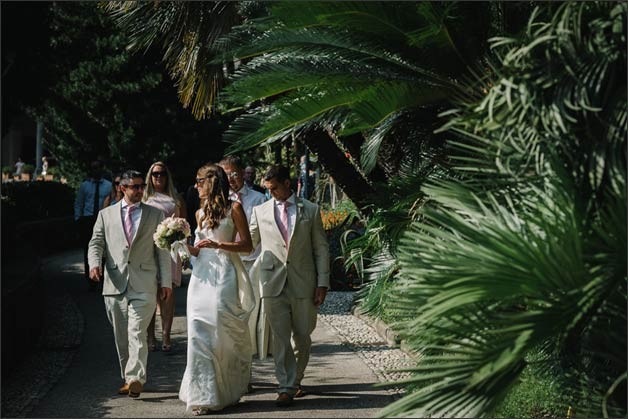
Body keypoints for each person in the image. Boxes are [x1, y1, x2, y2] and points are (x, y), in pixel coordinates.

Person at [249, 165, 330, 407]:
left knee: (302, 336)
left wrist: (323, 282)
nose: (270, 193)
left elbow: (321, 249)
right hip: (272, 282)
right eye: (268, 189)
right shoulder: (259, 211)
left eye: (274, 188)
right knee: (281, 338)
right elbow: (248, 243)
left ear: (287, 184)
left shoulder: (311, 210)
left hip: (304, 282)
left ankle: (296, 379)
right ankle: (286, 386)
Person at [87, 169, 173, 399]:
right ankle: (128, 377)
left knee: (137, 332)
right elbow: (96, 243)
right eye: (134, 186)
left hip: (144, 282)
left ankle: (136, 378)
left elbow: (162, 251)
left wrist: (166, 282)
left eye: (140, 186)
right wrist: (95, 264)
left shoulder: (155, 214)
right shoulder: (105, 215)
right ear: (121, 188)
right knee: (121, 336)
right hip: (114, 284)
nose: (139, 190)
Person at [179, 163, 255, 415]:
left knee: (221, 331)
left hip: (224, 275)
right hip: (201, 278)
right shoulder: (200, 213)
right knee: (197, 332)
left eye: (200, 181)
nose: (196, 186)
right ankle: (203, 395)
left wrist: (219, 244)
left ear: (212, 181)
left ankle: (228, 388)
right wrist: (179, 245)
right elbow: (198, 250)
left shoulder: (234, 209)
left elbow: (247, 246)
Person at [218, 156, 269, 360]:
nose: (230, 179)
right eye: (225, 175)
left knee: (251, 310)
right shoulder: (218, 201)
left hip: (253, 261)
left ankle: (249, 354)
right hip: (228, 263)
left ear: (242, 173)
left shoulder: (258, 199)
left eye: (234, 174)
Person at [142, 161, 186, 352]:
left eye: (161, 173)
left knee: (167, 294)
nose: (158, 177)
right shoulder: (144, 198)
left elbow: (184, 227)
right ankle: (150, 336)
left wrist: (184, 252)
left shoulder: (175, 199)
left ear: (167, 176)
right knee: (151, 294)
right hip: (149, 250)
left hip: (170, 249)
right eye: (154, 174)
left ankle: (166, 335)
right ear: (150, 177)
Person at [75, 159, 112, 291]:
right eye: (93, 168)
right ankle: (90, 278)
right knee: (88, 248)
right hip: (88, 218)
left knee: (102, 248)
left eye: (98, 167)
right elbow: (79, 202)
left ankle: (101, 275)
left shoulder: (108, 185)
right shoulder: (85, 185)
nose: (95, 170)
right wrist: (78, 218)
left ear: (102, 169)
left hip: (102, 218)